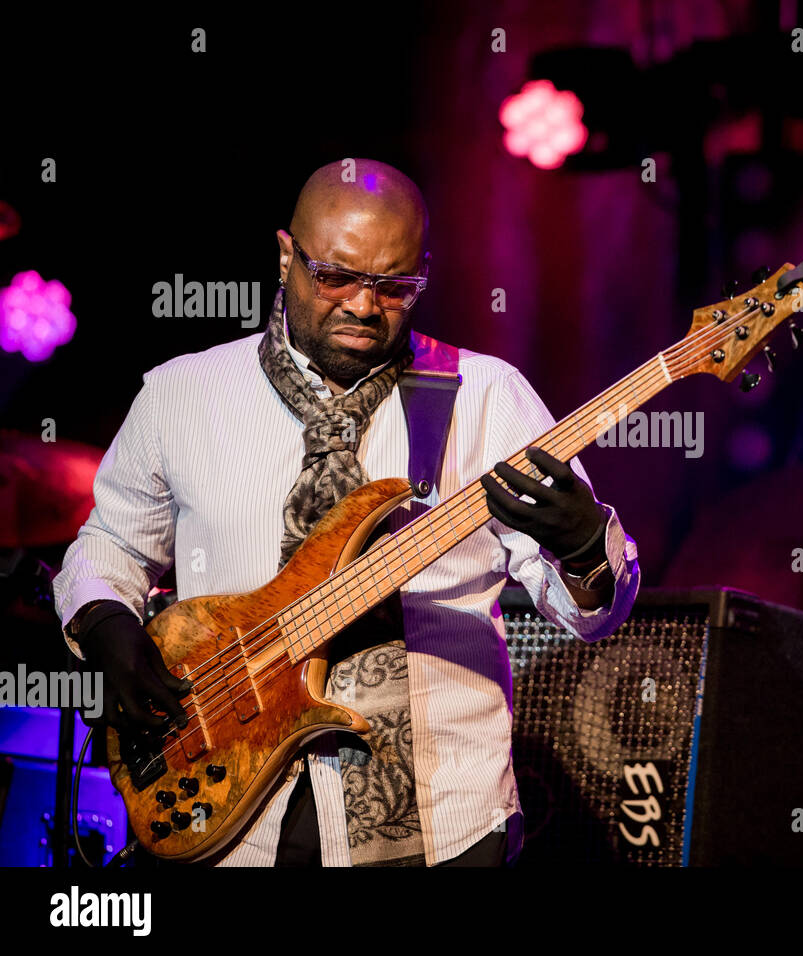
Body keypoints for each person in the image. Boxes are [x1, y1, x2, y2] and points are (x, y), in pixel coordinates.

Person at [52, 158, 641, 866]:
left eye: (394, 287)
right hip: (223, 805)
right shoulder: (182, 394)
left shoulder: (487, 398)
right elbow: (109, 545)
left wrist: (582, 549)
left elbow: (590, 617)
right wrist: (105, 621)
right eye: (335, 276)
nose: (363, 307)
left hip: (437, 816)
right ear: (284, 254)